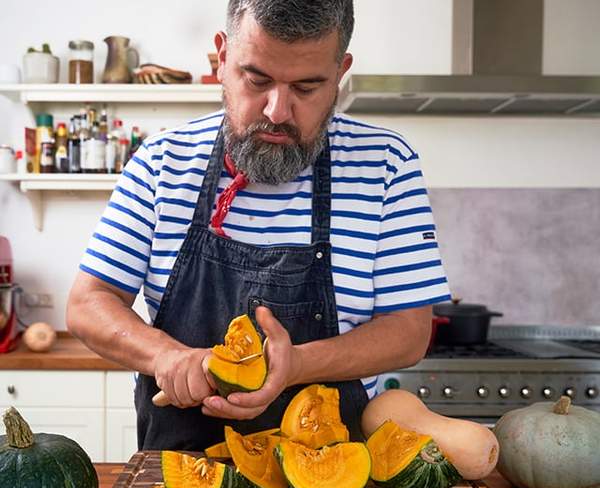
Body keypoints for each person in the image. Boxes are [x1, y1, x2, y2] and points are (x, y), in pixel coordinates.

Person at [66, 0, 451, 451]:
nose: (277, 110)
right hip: (181, 469)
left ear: (340, 72)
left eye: (307, 87)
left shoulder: (386, 164)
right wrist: (165, 355)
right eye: (257, 80)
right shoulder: (162, 162)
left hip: (334, 471)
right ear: (222, 57)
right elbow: (88, 303)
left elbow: (409, 331)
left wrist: (298, 364)